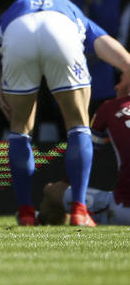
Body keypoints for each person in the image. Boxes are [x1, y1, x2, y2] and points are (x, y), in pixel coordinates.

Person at [0, 0, 130, 226]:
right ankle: (78, 209)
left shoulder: (11, 13)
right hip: (61, 32)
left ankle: (26, 212)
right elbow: (121, 59)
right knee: (78, 125)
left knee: (20, 129)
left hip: (19, 33)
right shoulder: (73, 12)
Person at [38, 93, 130, 226]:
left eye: (121, 75)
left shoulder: (111, 107)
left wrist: (65, 183)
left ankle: (38, 219)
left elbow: (88, 152)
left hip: (124, 209)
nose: (116, 83)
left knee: (52, 190)